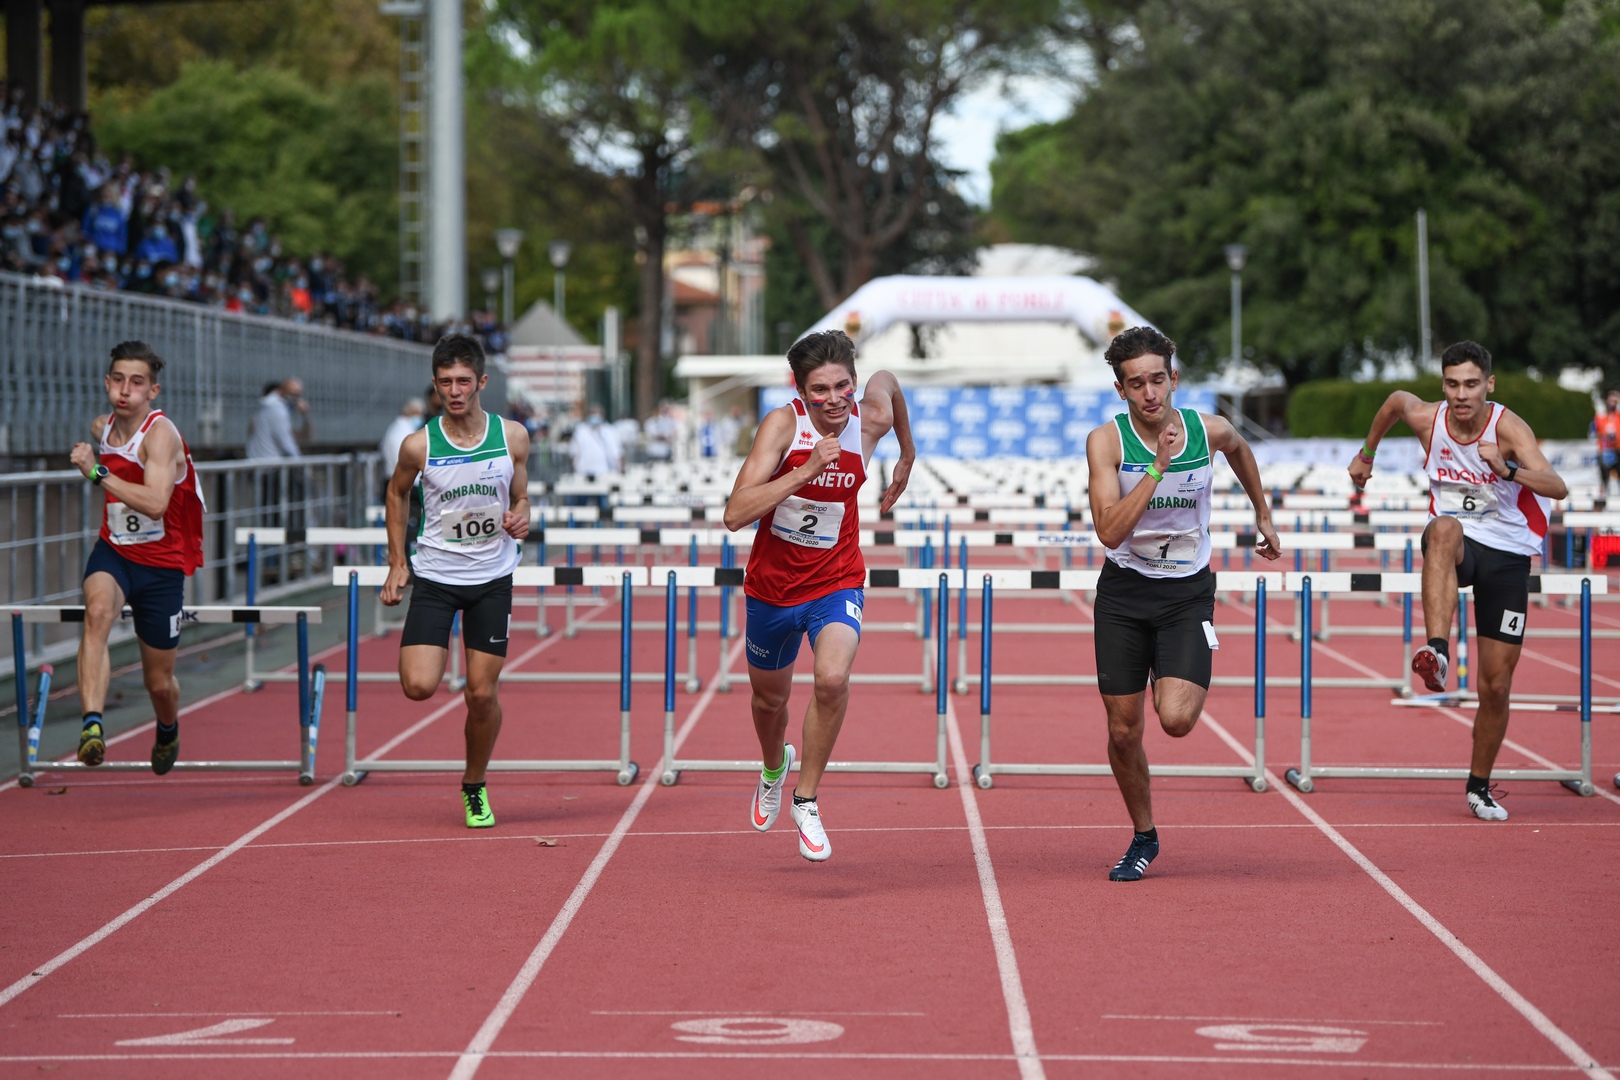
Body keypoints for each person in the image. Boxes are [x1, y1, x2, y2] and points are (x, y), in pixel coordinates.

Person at [1086, 327, 1281, 881]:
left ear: (1173, 378)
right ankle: (1144, 836)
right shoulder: (1107, 442)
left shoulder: (1208, 429)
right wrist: (1157, 467)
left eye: (1157, 380)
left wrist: (1262, 512)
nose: (1149, 393)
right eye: (1136, 384)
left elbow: (1239, 449)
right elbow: (1109, 531)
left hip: (1186, 593)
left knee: (1174, 720)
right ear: (1121, 389)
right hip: (1124, 594)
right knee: (1123, 731)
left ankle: (1173, 664)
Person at [1350, 340, 1566, 822]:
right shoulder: (1429, 419)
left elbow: (1558, 487)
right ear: (1443, 386)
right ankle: (1438, 651)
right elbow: (1395, 402)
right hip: (1459, 544)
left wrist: (1508, 469)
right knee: (1443, 529)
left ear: (1490, 384)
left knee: (1496, 686)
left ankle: (1478, 786)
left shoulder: (1508, 428)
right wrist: (1366, 454)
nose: (1462, 394)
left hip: (1508, 555)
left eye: (1471, 384)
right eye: (1452, 384)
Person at [724, 330, 914, 862]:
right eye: (820, 390)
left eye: (843, 386)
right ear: (801, 391)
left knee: (831, 679)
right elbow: (735, 514)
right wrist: (806, 470)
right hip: (772, 589)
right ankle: (773, 767)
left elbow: (889, 383)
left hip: (836, 580)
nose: (834, 400)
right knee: (769, 702)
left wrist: (907, 451)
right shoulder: (783, 425)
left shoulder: (868, 419)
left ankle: (805, 798)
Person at [381, 335, 530, 828]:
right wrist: (397, 561)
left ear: (481, 382)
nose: (455, 391)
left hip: (492, 578)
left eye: (463, 381)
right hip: (437, 577)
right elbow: (396, 494)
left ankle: (474, 784)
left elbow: (522, 496)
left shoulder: (512, 437)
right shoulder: (419, 445)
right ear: (435, 384)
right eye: (445, 382)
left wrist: (522, 517)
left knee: (481, 695)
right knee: (418, 686)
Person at [68, 341, 206, 774]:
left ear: (153, 391)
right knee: (97, 612)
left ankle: (167, 727)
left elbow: (155, 504)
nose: (125, 390)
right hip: (114, 551)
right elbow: (101, 429)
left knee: (158, 683)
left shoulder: (161, 435)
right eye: (118, 380)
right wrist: (100, 451)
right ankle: (92, 726)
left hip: (161, 567)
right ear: (107, 383)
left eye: (137, 382)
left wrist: (96, 472)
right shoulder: (104, 426)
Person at [246, 377, 307, 460]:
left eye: (297, 395)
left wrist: (305, 415)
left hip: (260, 461)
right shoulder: (277, 411)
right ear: (280, 391)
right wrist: (300, 461)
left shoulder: (268, 408)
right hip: (268, 462)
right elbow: (286, 443)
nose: (295, 399)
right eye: (292, 394)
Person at [569, 404, 622, 477]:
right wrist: (572, 473)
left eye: (596, 413)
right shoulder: (580, 431)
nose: (594, 416)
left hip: (606, 473)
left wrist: (621, 471)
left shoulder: (610, 431)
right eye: (592, 413)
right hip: (583, 474)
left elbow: (618, 454)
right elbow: (573, 454)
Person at [381, 397, 426, 477]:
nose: (421, 417)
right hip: (401, 479)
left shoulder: (404, 429)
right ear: (411, 412)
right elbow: (402, 462)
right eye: (419, 414)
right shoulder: (400, 432)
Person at [1594, 390, 1620, 499]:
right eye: (1611, 401)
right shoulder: (1601, 417)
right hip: (1605, 450)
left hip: (1618, 449)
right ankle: (1604, 494)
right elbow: (1595, 432)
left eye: (1615, 401)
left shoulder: (1618, 417)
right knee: (1604, 475)